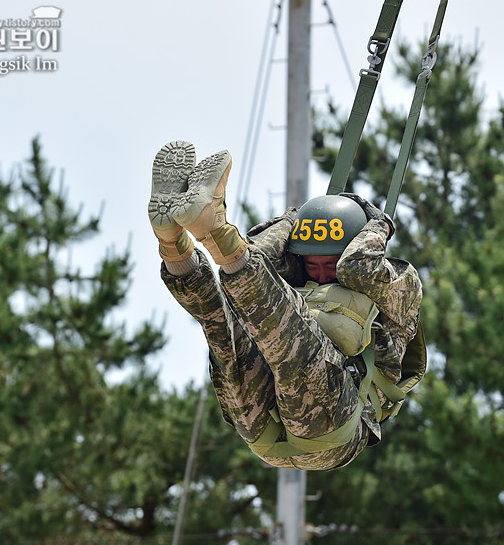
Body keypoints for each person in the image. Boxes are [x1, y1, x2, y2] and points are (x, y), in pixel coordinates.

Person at [148, 140, 425, 470]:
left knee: (289, 333)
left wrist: (379, 222)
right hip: (262, 430)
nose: (322, 274)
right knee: (223, 326)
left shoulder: (399, 285)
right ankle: (173, 242)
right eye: (312, 264)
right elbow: (257, 256)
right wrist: (296, 219)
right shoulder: (293, 282)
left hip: (335, 427)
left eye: (329, 265)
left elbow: (355, 266)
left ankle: (214, 225)